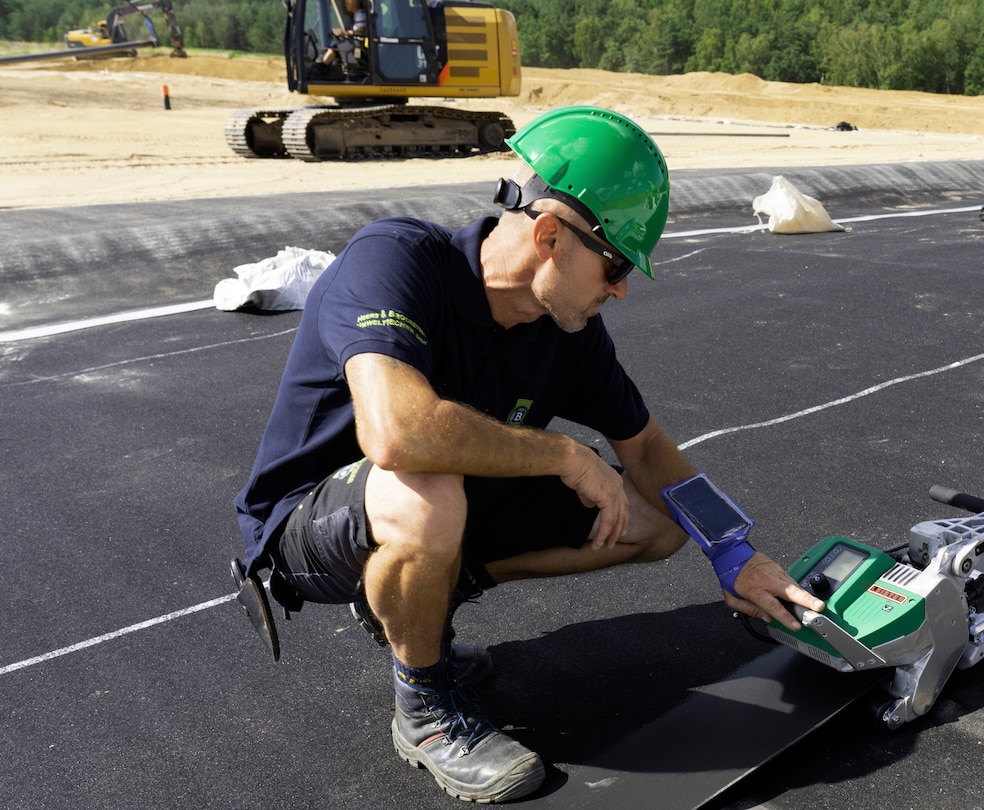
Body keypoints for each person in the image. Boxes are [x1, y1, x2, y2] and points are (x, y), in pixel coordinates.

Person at [231, 105, 824, 804]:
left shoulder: (564, 332)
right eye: (614, 265)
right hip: (309, 522)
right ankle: (425, 709)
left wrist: (732, 553)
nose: (621, 289)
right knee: (426, 487)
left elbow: (648, 447)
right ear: (549, 236)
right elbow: (396, 436)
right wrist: (568, 457)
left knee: (654, 521)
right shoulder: (395, 263)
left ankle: (432, 592)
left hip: (436, 499)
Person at [319, 0, 367, 69]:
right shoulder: (356, 16)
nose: (345, 6)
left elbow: (360, 32)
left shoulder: (361, 15)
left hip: (358, 47)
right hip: (354, 45)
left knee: (335, 46)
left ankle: (322, 67)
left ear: (353, 4)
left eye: (347, 4)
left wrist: (344, 33)